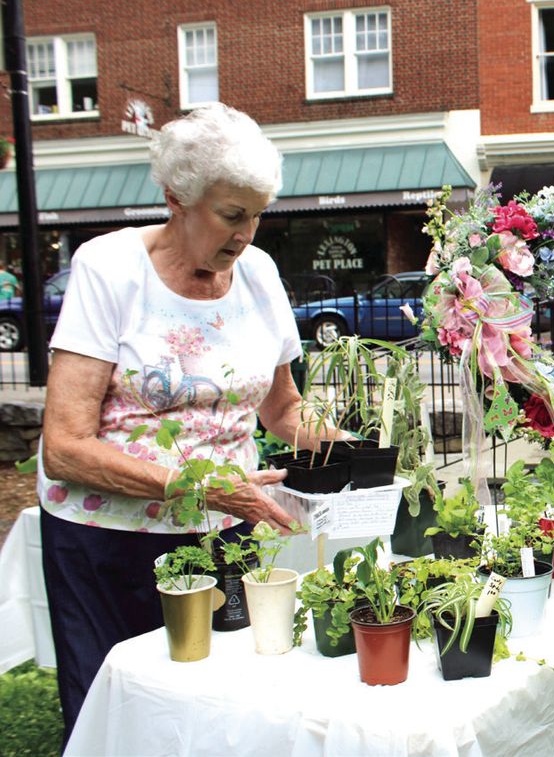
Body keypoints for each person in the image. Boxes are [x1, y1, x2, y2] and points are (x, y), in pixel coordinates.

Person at [38, 103, 342, 745]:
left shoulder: (258, 275)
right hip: (109, 540)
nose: (247, 234)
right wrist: (194, 486)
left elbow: (283, 410)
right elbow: (64, 448)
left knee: (216, 706)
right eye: (232, 215)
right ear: (177, 197)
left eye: (258, 215)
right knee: (119, 709)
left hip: (225, 525)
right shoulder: (109, 268)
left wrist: (356, 445)